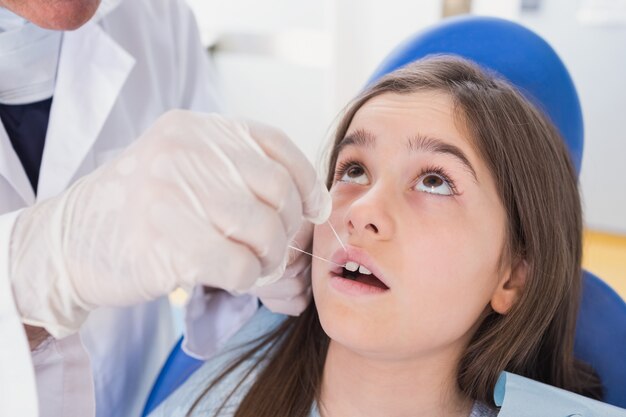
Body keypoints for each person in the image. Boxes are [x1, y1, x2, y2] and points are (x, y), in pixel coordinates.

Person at [148, 56, 618, 417]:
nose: (362, 211)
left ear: (512, 276)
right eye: (353, 169)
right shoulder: (240, 348)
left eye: (435, 180)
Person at [0, 0, 330, 416]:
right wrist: (44, 263)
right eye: (355, 167)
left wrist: (240, 246)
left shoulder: (157, 20)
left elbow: (202, 205)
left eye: (433, 182)